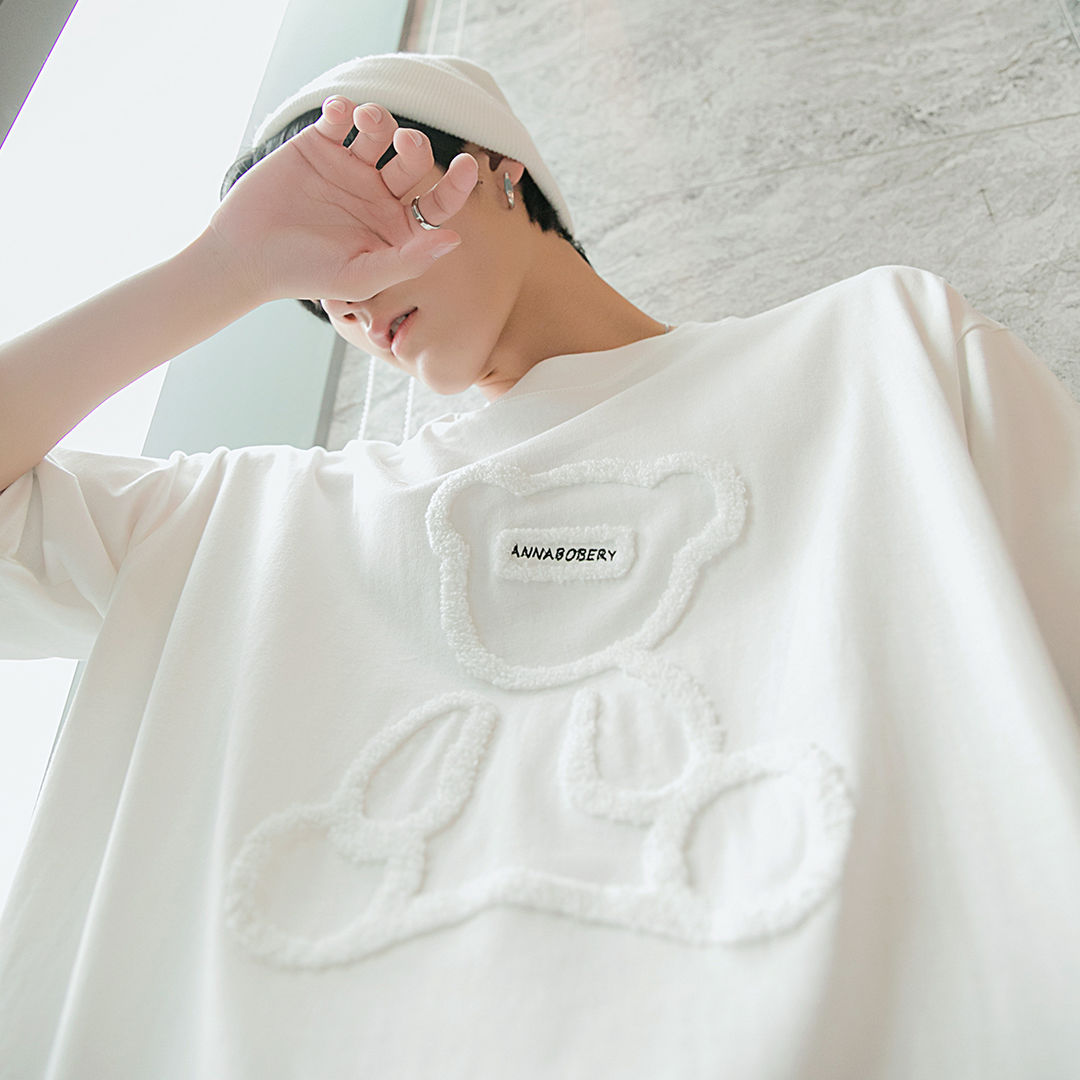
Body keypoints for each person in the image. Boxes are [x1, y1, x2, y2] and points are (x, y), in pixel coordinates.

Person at [1, 51, 1079, 1080]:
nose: (349, 300)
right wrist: (218, 272)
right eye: (311, 283)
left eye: (364, 211)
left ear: (499, 168)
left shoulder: (874, 351)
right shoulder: (254, 524)